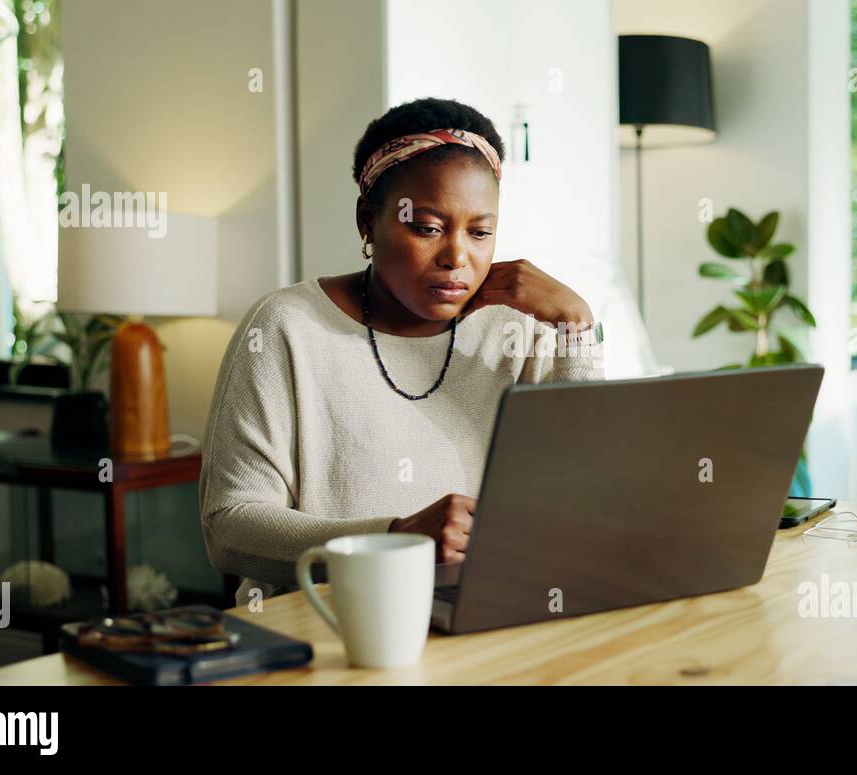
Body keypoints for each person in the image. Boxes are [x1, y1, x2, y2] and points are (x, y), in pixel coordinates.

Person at [199, 97, 605, 605]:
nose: (457, 257)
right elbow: (230, 528)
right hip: (325, 630)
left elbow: (587, 501)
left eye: (481, 232)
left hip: (484, 617)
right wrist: (394, 540)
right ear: (368, 221)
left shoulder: (520, 330)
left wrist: (577, 327)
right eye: (428, 228)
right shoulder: (287, 328)